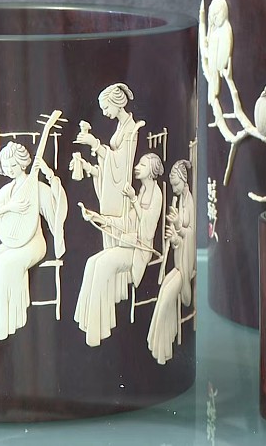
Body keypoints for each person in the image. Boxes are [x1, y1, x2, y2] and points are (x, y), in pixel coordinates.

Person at [0, 142, 67, 340]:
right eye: (6, 167)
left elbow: (56, 211)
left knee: (5, 263)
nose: (10, 170)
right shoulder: (8, 190)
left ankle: (8, 323)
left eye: (13, 166)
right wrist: (7, 208)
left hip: (34, 243)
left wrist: (49, 175)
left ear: (23, 164)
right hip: (12, 242)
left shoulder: (36, 187)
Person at [75, 153, 164, 347]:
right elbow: (127, 221)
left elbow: (148, 228)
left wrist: (133, 200)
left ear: (152, 171)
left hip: (140, 250)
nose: (137, 167)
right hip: (129, 244)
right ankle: (89, 324)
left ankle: (98, 331)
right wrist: (98, 218)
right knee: (92, 262)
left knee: (103, 265)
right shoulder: (142, 191)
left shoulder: (156, 194)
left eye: (142, 165)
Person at [72, 83, 145, 249]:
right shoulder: (121, 126)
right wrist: (88, 167)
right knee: (109, 233)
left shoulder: (130, 129)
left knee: (115, 232)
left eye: (106, 108)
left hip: (120, 188)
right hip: (114, 184)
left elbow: (121, 162)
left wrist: (95, 144)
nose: (104, 113)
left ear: (117, 103)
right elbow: (112, 160)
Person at [147, 159, 195, 364]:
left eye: (176, 184)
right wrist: (175, 236)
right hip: (178, 261)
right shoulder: (181, 199)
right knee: (163, 292)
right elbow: (182, 236)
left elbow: (191, 234)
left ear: (184, 180)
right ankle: (160, 347)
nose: (174, 188)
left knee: (167, 296)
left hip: (185, 265)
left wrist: (177, 230)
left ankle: (163, 350)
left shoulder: (189, 201)